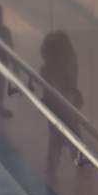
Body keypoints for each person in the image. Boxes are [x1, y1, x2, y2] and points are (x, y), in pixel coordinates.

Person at [39, 30, 86, 171]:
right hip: (60, 110)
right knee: (64, 141)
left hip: (62, 110)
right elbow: (55, 91)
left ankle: (55, 168)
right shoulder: (50, 70)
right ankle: (57, 168)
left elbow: (68, 88)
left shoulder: (65, 67)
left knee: (60, 141)